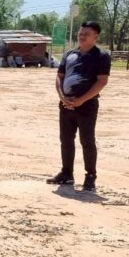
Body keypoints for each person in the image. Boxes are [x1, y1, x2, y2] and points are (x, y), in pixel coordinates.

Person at [47, 21, 110, 192]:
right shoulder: (69, 54)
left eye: (86, 34)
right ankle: (66, 173)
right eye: (80, 33)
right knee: (66, 140)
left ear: (95, 37)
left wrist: (82, 99)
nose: (82, 36)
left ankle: (90, 176)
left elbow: (102, 81)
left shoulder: (101, 56)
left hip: (87, 105)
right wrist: (62, 97)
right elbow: (59, 76)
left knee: (87, 141)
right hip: (66, 104)